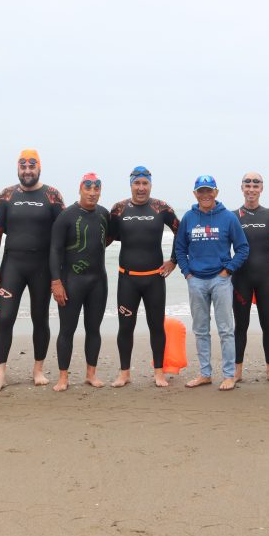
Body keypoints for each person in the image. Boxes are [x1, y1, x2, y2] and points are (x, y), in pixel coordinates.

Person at [0, 150, 65, 393]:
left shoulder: (52, 195)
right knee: (6, 318)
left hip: (41, 267)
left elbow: (62, 235)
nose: (27, 170)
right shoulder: (7, 195)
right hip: (13, 266)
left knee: (39, 319)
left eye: (32, 166)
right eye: (23, 166)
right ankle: (0, 375)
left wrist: (58, 275)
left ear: (39, 168)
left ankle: (38, 370)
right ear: (18, 169)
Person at [174, 175, 249, 391]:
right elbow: (180, 248)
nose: (205, 195)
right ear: (195, 193)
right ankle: (205, 373)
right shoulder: (189, 217)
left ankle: (228, 375)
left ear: (216, 192)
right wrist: (187, 273)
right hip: (196, 281)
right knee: (200, 330)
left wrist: (228, 270)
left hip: (221, 280)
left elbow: (242, 248)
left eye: (209, 191)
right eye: (201, 191)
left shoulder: (228, 218)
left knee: (226, 330)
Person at [109, 166, 179, 388]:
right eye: (137, 183)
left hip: (154, 279)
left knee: (156, 326)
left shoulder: (161, 208)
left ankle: (159, 373)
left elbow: (181, 231)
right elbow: (106, 238)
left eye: (145, 183)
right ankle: (124, 373)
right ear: (131, 184)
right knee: (125, 328)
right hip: (127, 279)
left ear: (150, 185)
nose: (141, 188)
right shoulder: (119, 209)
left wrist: (174, 260)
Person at [50, 173, 112, 391]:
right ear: (80, 189)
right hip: (71, 281)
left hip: (98, 281)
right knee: (67, 330)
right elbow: (55, 250)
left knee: (93, 329)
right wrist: (56, 282)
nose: (93, 193)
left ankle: (91, 374)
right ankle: (63, 377)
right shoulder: (66, 216)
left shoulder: (104, 214)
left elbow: (107, 238)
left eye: (96, 189)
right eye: (89, 188)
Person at [233, 172, 269, 384]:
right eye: (248, 184)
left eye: (256, 185)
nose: (252, 189)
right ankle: (237, 371)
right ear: (242, 188)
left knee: (268, 324)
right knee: (241, 326)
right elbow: (222, 246)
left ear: (261, 189)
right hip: (241, 277)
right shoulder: (233, 215)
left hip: (266, 276)